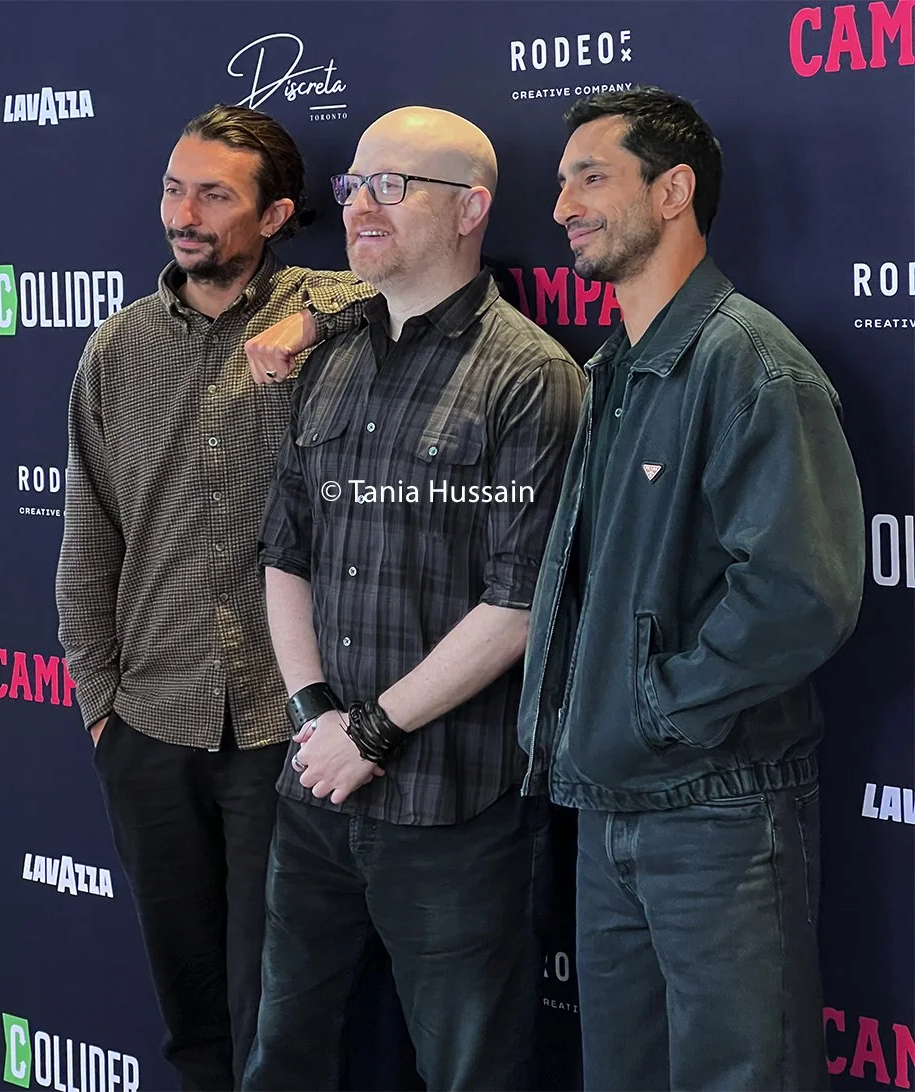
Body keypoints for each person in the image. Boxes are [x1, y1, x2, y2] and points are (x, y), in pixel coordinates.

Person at [518, 87, 866, 1091]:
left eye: (591, 178)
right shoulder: (614, 367)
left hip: (718, 812)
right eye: (562, 182)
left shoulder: (748, 364)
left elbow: (801, 594)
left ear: (672, 192)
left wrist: (653, 712)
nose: (562, 206)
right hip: (609, 807)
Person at [245, 106, 583, 1091]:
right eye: (354, 186)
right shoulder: (329, 358)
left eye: (392, 187)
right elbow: (285, 552)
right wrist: (314, 714)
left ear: (471, 209)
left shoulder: (531, 377)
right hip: (316, 785)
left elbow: (521, 603)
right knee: (285, 1056)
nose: (362, 207)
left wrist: (372, 731)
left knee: (471, 1069)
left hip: (456, 806)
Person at [55, 104, 373, 1092]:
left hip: (289, 729)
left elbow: (423, 287)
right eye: (172, 189)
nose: (182, 215)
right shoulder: (116, 349)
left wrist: (312, 321)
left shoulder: (329, 312)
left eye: (212, 196)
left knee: (281, 1017)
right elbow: (89, 540)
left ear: (275, 216)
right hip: (150, 724)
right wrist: (101, 709)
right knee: (191, 1017)